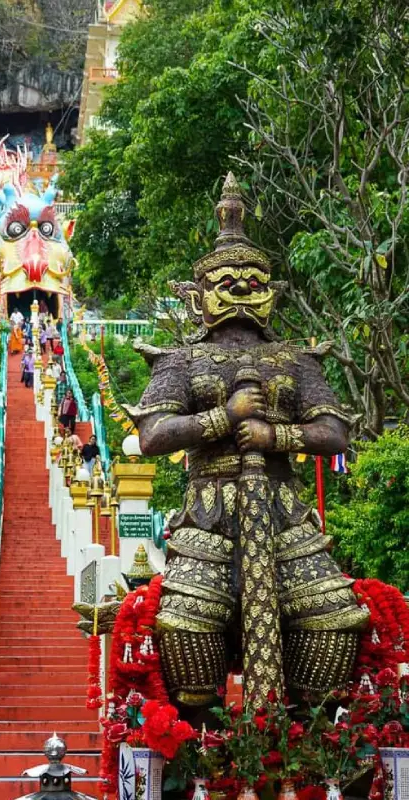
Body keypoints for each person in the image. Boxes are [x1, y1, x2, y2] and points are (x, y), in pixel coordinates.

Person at [125, 173, 367, 709]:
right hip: (209, 514)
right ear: (199, 297)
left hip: (283, 511)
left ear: (271, 291)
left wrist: (273, 434)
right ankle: (199, 749)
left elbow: (334, 432)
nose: (239, 287)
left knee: (331, 617)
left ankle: (311, 749)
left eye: (252, 279)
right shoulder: (181, 361)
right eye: (226, 280)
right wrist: (222, 418)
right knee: (187, 624)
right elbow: (153, 435)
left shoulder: (295, 359)